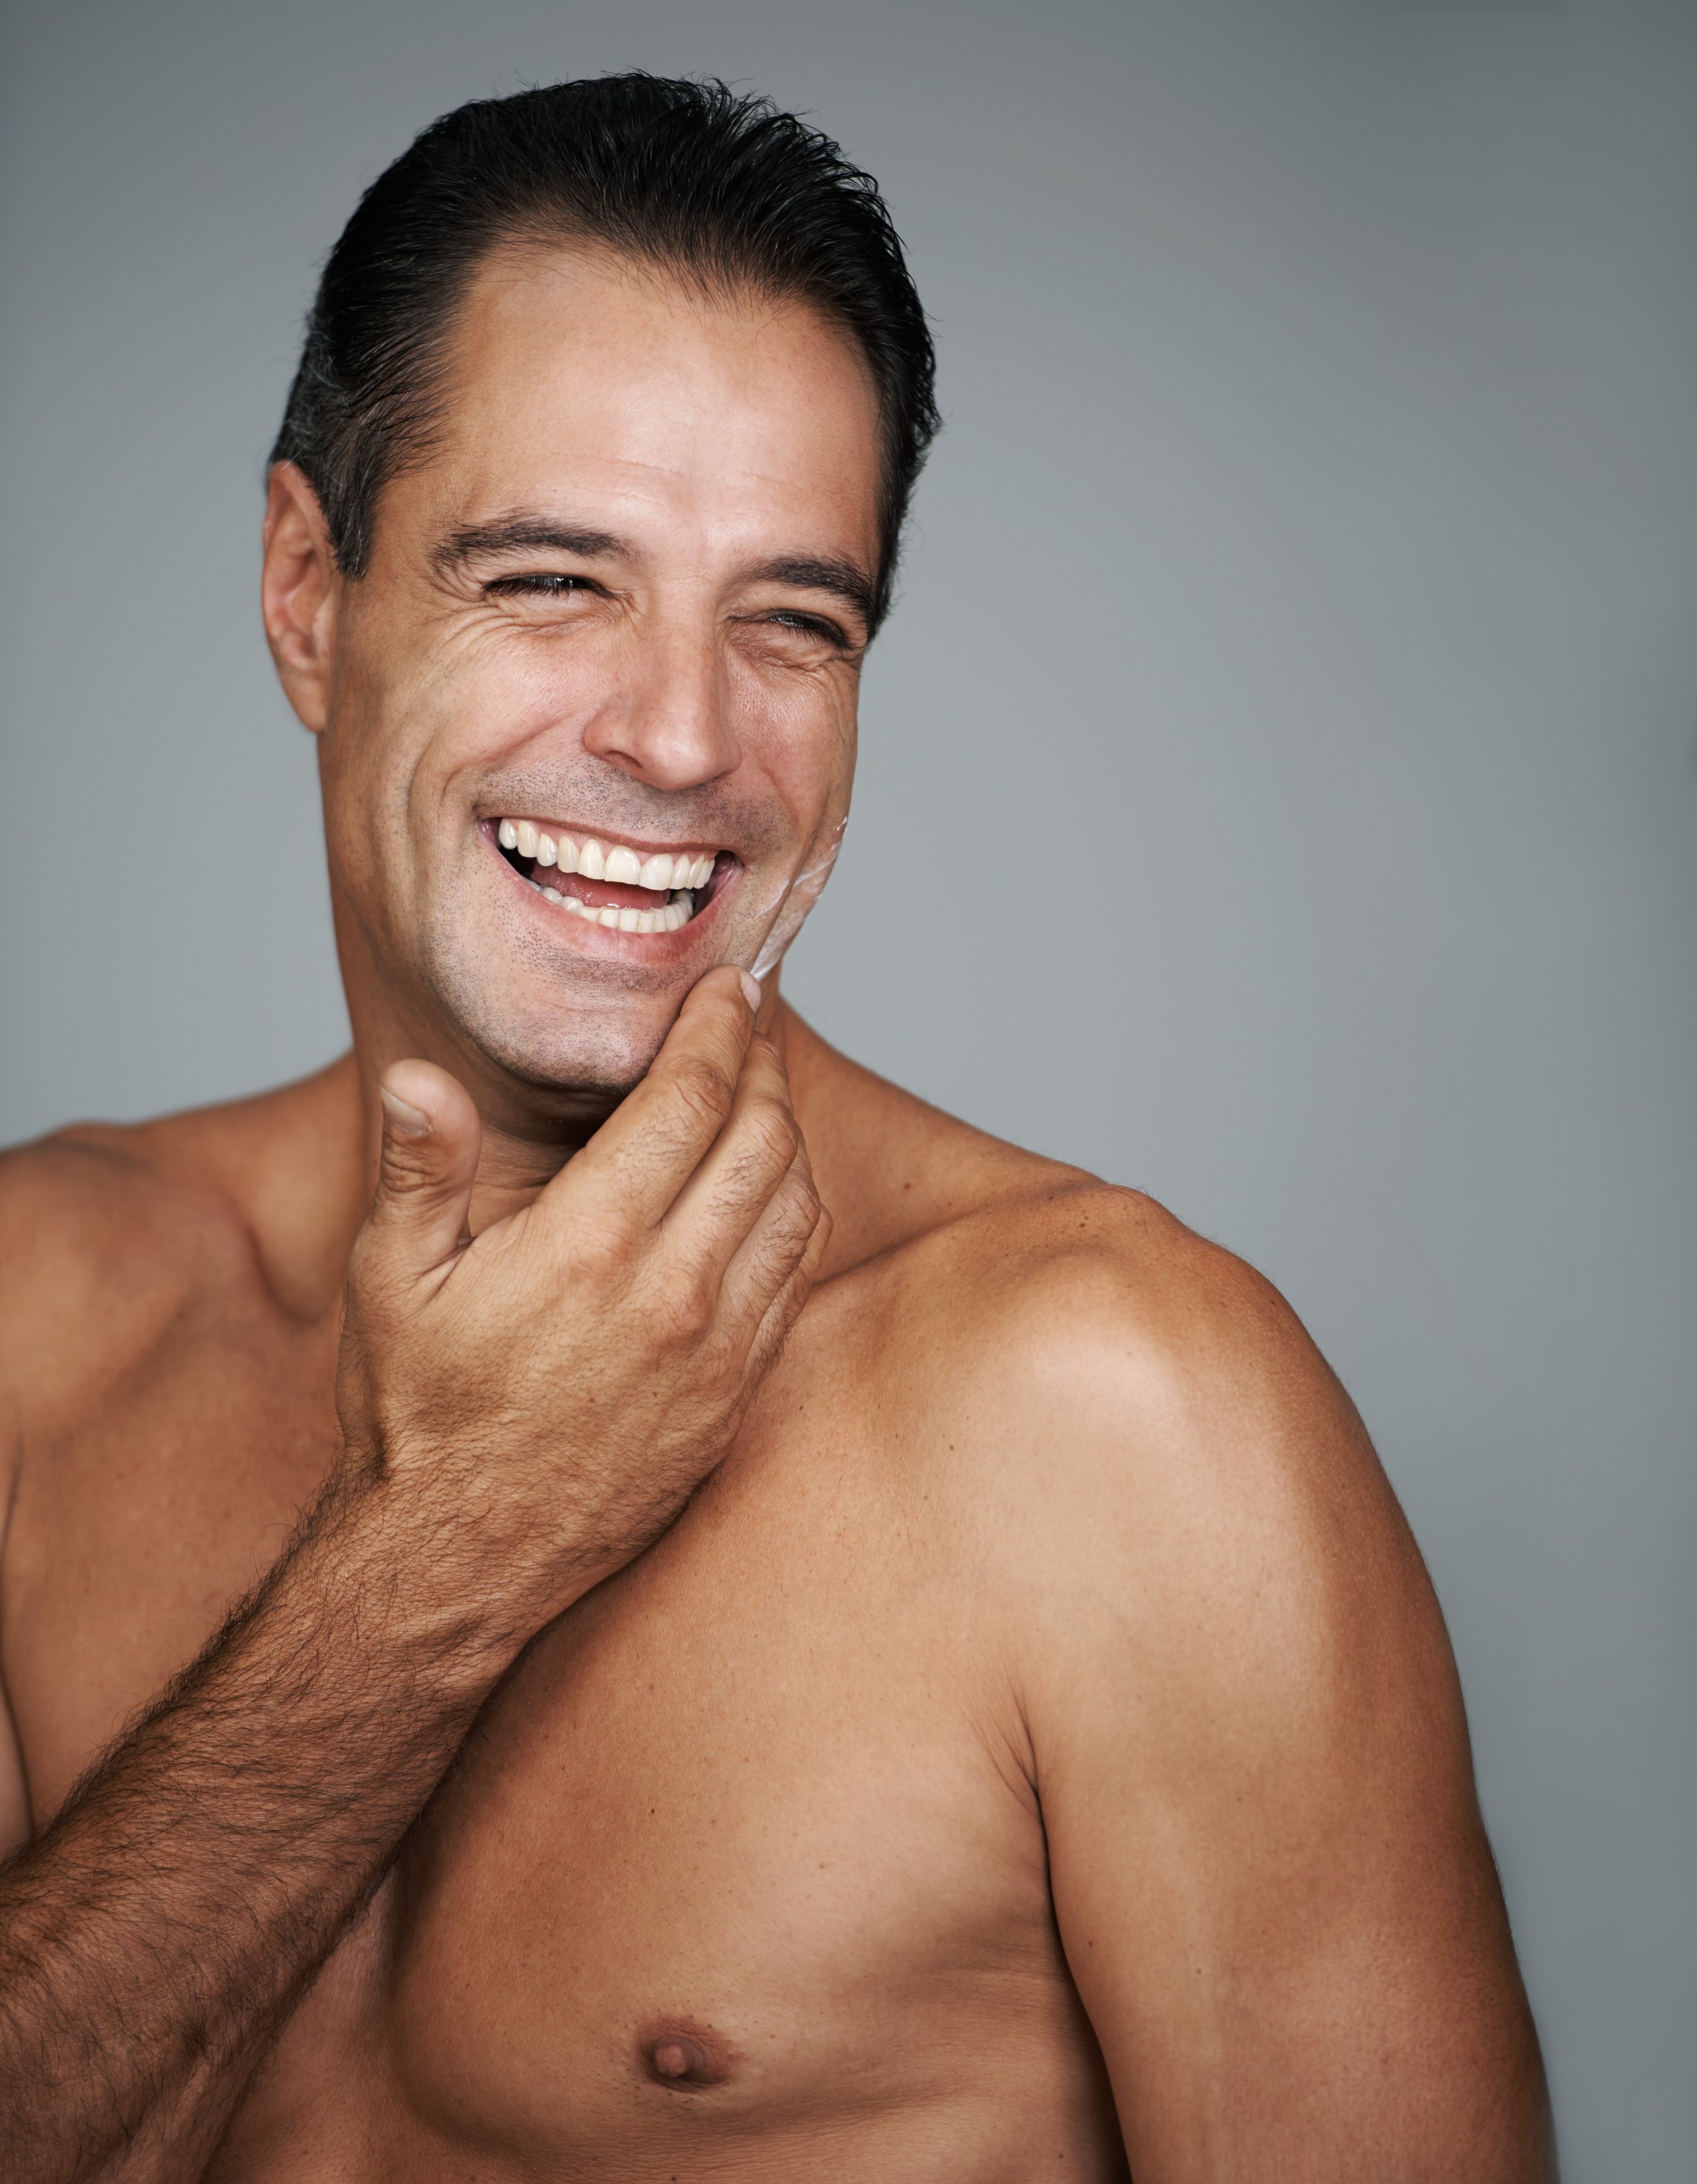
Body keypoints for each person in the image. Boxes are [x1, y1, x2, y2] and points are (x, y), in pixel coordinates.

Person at [0, 74, 1552, 2183]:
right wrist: (429, 1562)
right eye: (555, 578)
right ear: (307, 590)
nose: (679, 734)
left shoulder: (1119, 1419)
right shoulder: (43, 1319)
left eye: (792, 621)